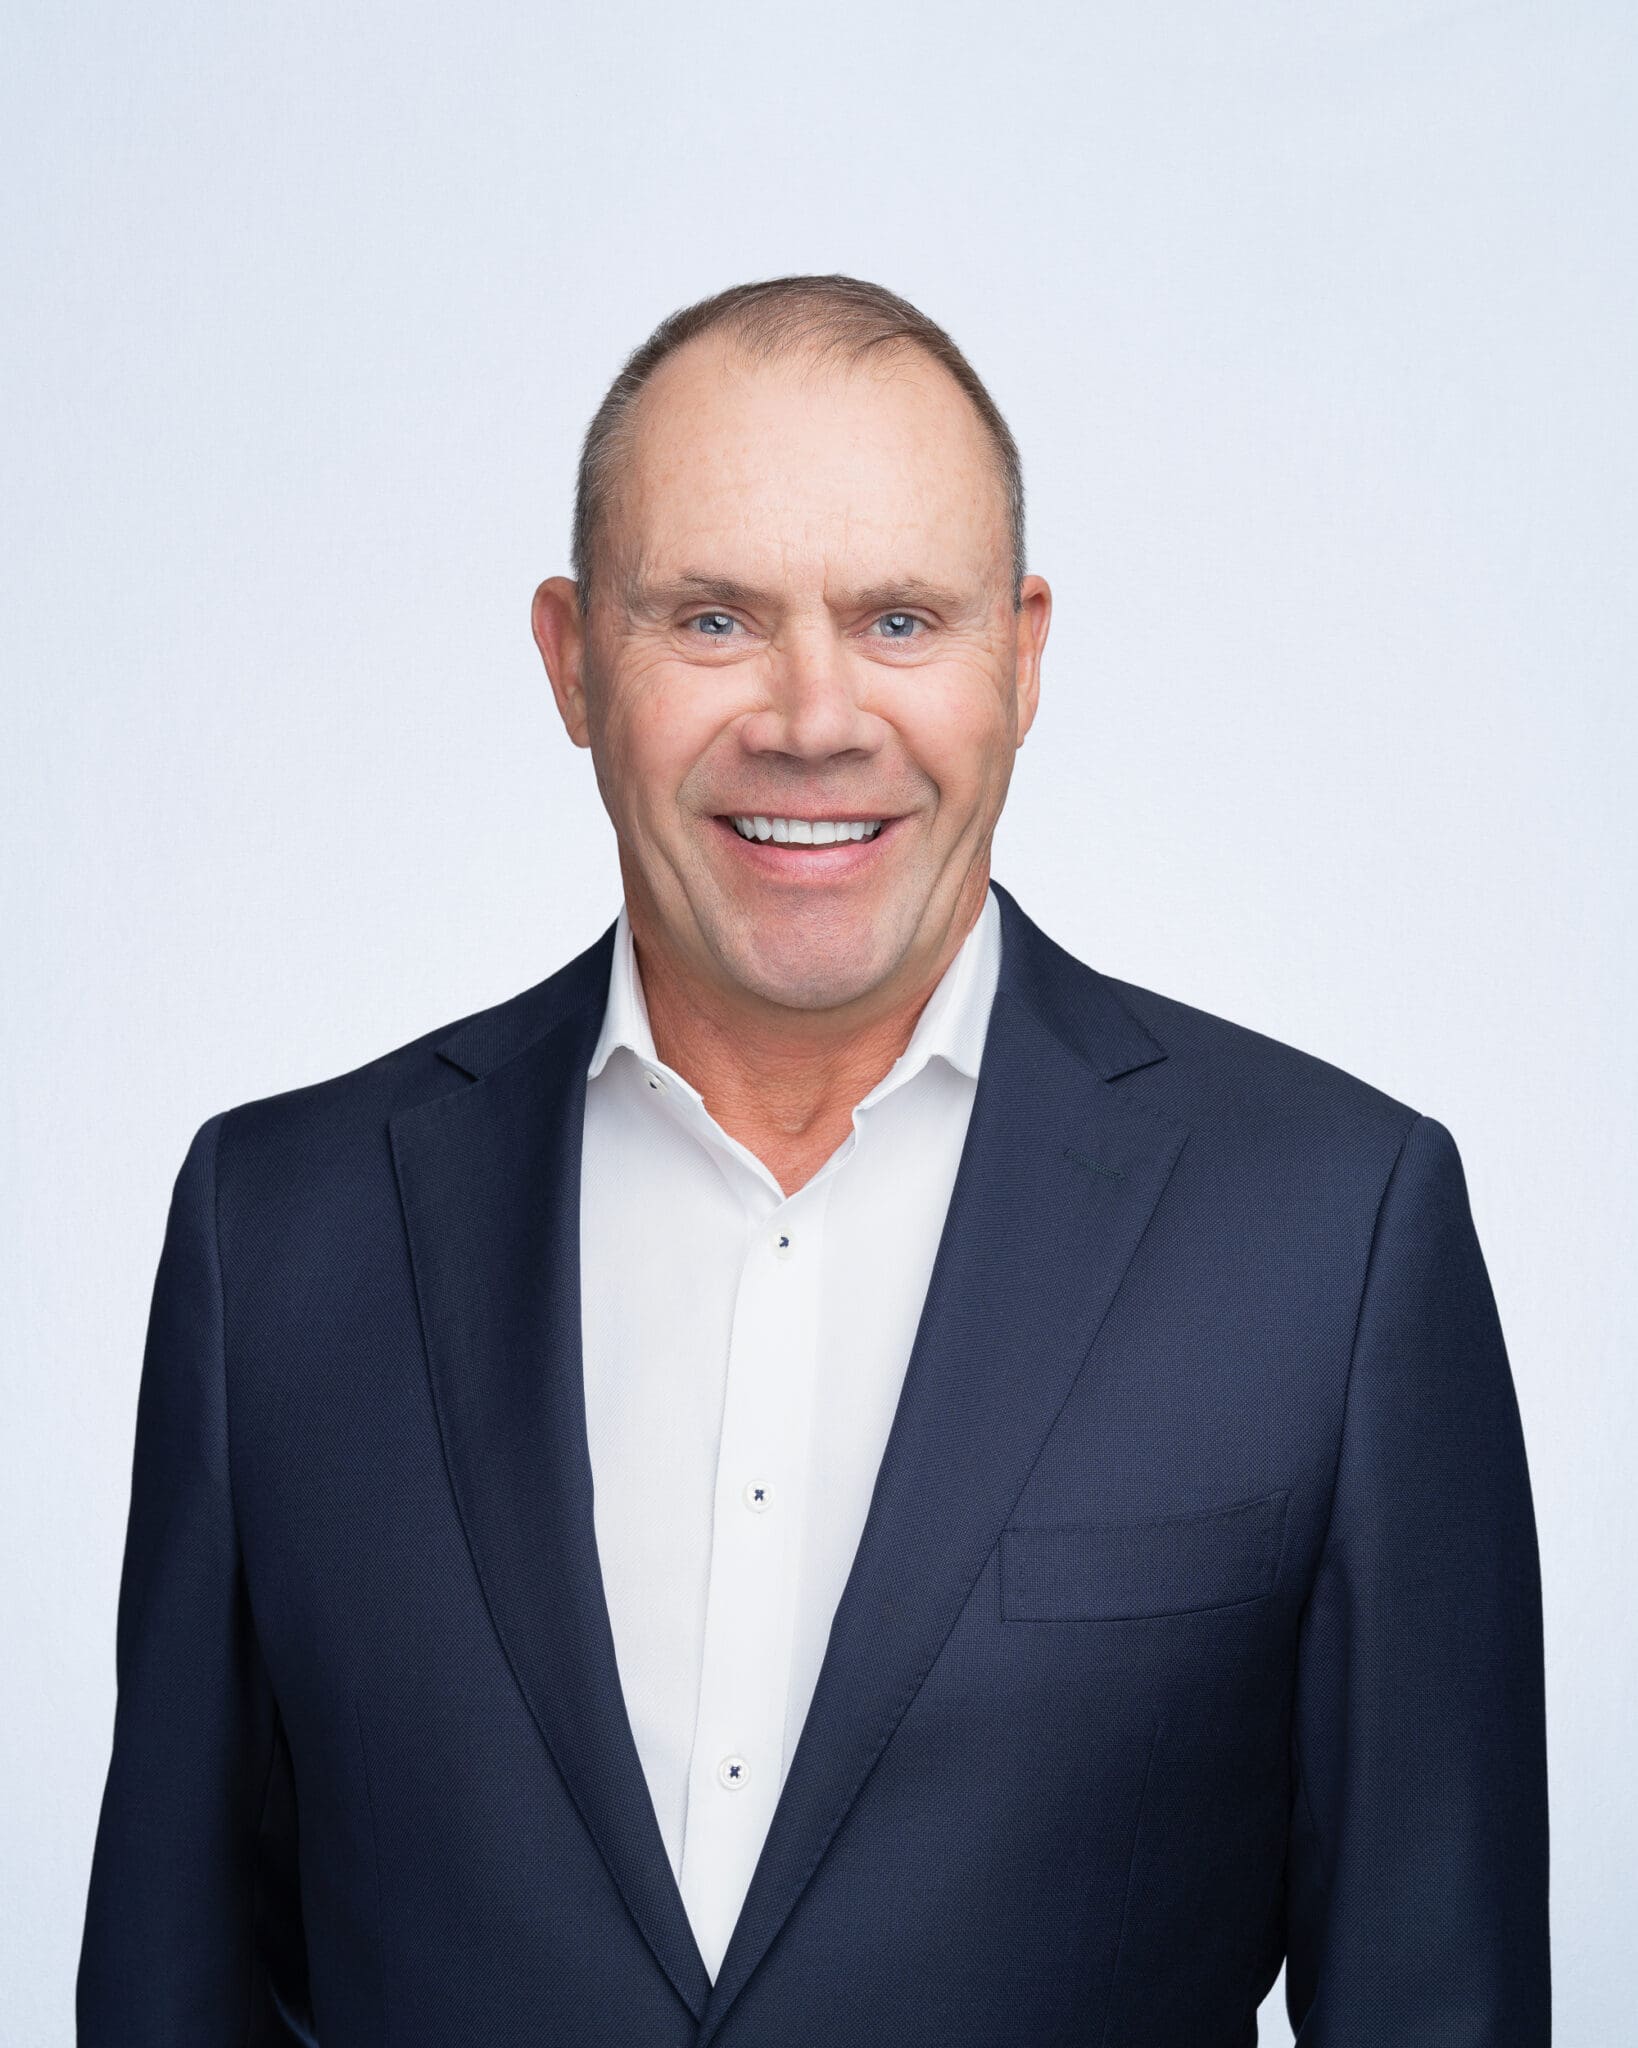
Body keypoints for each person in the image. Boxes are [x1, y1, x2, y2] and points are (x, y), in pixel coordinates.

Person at [77, 273, 1551, 2046]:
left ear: (1021, 659)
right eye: (711, 619)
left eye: (900, 621)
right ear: (569, 659)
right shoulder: (277, 1235)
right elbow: (170, 1990)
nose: (811, 716)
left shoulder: (1332, 1235)